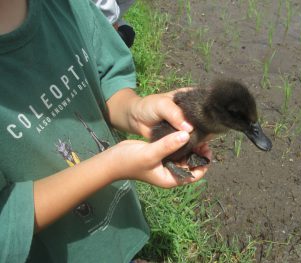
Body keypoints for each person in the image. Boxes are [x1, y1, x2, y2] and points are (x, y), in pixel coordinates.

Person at [0, 0, 211, 262]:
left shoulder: (67, 6)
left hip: (112, 216)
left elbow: (105, 77)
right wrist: (113, 166)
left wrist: (136, 110)